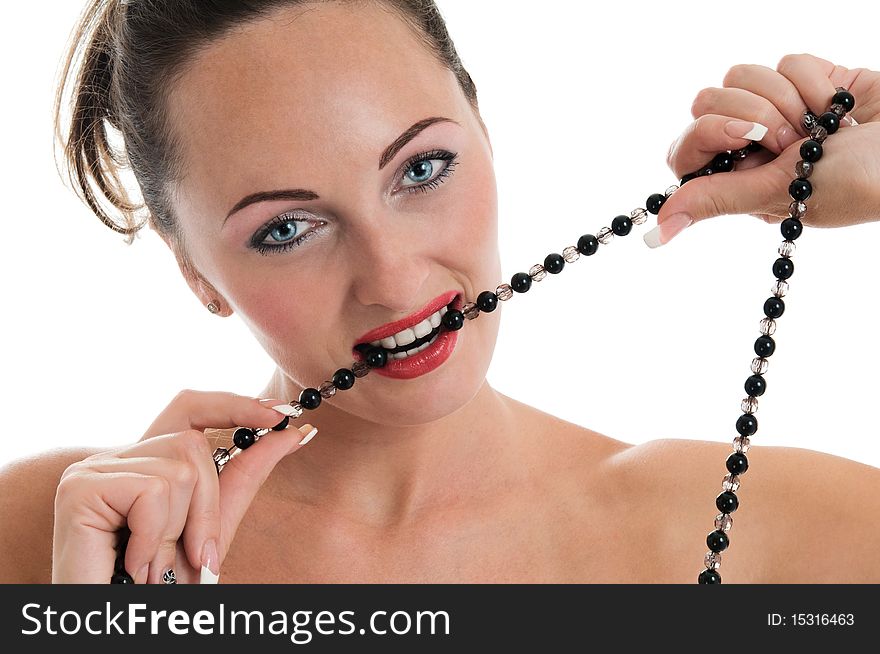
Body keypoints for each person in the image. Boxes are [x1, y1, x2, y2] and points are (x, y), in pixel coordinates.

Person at [1, 0, 878, 584]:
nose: (394, 280)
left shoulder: (793, 531)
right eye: (286, 229)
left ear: (483, 127)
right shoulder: (50, 535)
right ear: (192, 268)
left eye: (423, 168)